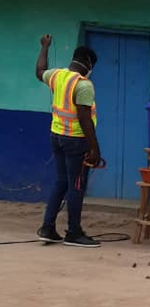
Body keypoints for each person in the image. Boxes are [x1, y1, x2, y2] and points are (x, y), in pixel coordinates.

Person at [35, 34, 103, 248]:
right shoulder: (84, 85)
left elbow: (39, 71)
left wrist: (45, 47)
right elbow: (84, 118)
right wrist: (95, 148)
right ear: (88, 63)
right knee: (76, 185)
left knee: (61, 181)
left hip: (56, 136)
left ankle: (47, 227)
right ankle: (73, 232)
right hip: (75, 141)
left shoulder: (57, 76)